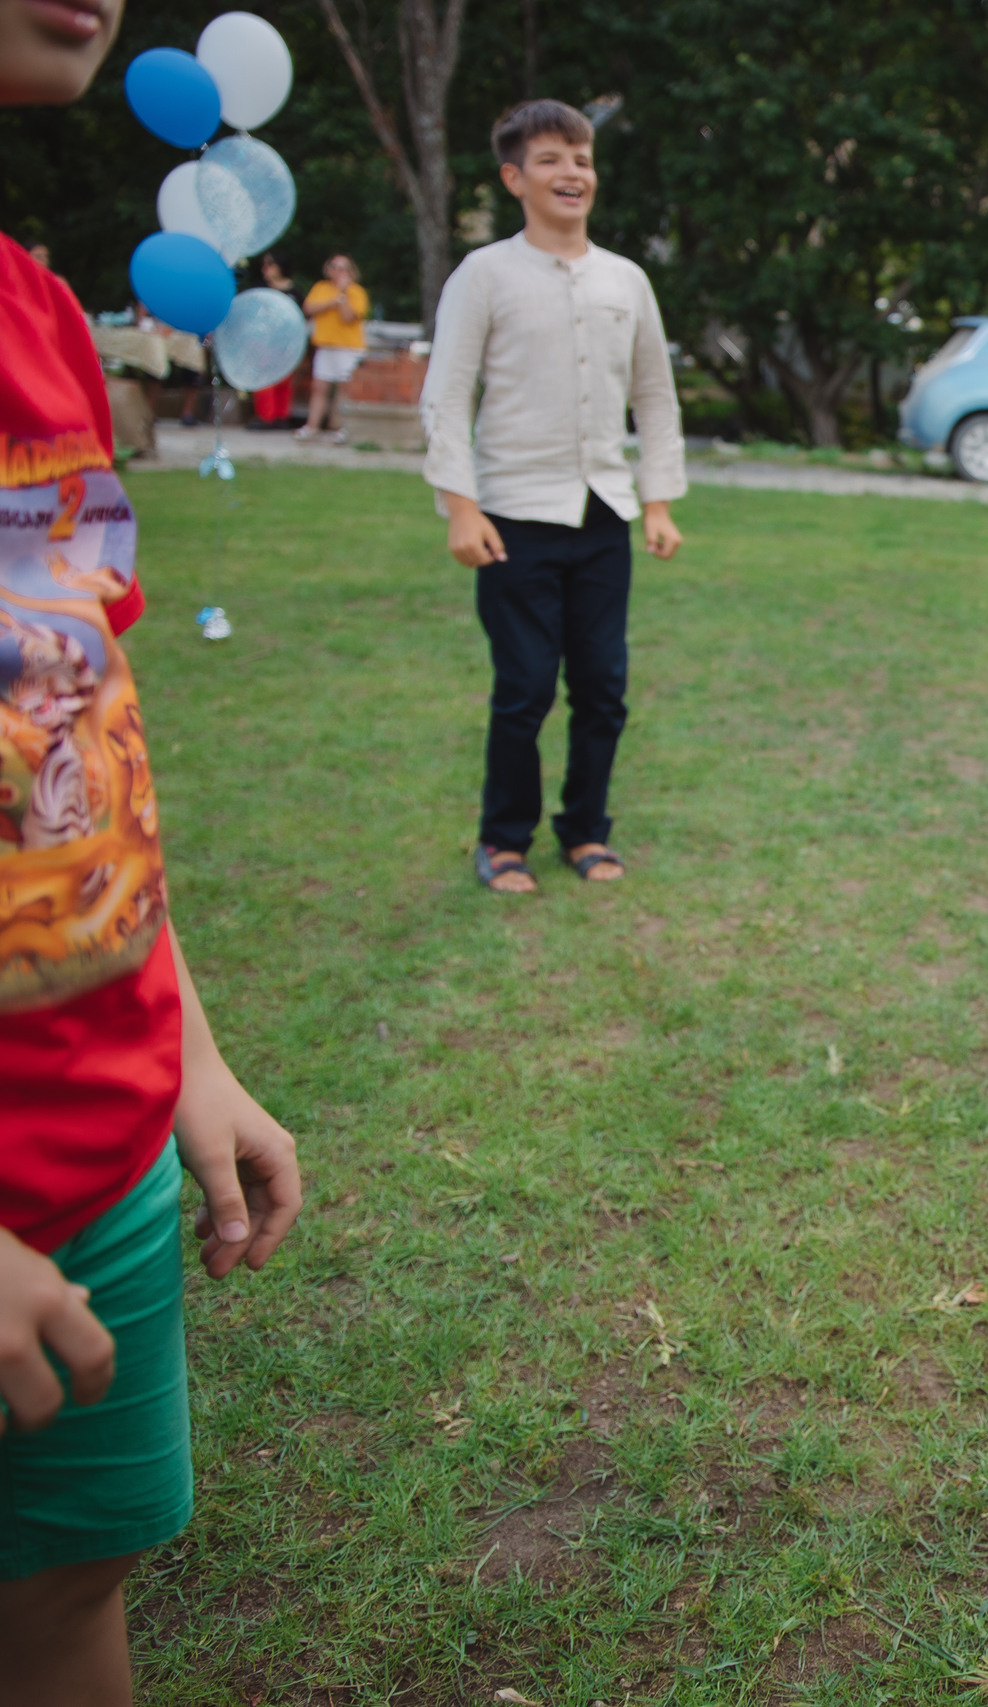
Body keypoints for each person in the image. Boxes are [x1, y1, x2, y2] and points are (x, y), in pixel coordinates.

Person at [1, 0, 304, 1697]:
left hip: (100, 1156)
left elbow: (76, 718)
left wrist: (180, 1052)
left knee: (67, 1587)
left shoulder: (37, 313)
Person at [421, 99, 686, 894]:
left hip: (604, 515)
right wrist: (460, 506)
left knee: (603, 688)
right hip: (511, 519)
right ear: (514, 178)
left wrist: (660, 501)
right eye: (550, 159)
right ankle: (503, 839)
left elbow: (656, 395)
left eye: (581, 159)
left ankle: (585, 832)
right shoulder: (485, 275)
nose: (571, 173)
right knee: (527, 686)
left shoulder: (626, 279)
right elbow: (447, 393)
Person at [296, 252, 367, 443]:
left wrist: (342, 295)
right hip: (325, 346)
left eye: (342, 267)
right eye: (334, 266)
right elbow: (309, 308)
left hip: (348, 348)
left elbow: (348, 317)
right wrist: (333, 301)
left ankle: (343, 428)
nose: (337, 271)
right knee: (319, 387)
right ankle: (312, 427)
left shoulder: (356, 292)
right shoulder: (321, 288)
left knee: (345, 389)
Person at [250, 255, 297, 429]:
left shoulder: (294, 291)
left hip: (286, 342)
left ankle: (281, 416)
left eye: (270, 264)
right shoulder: (259, 289)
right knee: (264, 378)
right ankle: (265, 416)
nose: (265, 268)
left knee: (284, 380)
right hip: (263, 341)